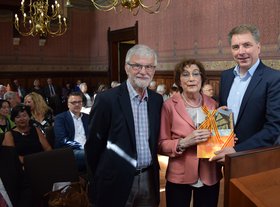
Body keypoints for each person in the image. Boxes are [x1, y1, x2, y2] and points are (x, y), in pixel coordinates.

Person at [85, 44, 163, 207]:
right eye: (137, 66)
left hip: (149, 179)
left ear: (154, 70)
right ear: (127, 67)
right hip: (115, 182)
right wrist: (100, 177)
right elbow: (93, 146)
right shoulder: (107, 100)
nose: (143, 71)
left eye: (149, 66)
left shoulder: (156, 100)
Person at [211, 24, 280, 163]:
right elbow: (224, 115)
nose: (241, 52)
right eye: (235, 47)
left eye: (247, 45)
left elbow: (274, 128)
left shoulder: (273, 78)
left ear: (258, 47)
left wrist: (237, 150)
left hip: (257, 159)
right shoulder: (226, 76)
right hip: (226, 156)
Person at [158, 59, 221, 207]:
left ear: (202, 79)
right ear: (179, 81)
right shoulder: (169, 106)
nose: (191, 78)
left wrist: (227, 140)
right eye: (185, 74)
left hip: (209, 173)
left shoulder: (213, 104)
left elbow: (219, 137)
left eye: (195, 74)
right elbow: (161, 144)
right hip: (179, 175)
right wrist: (184, 142)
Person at [54, 92, 89, 171]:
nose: (77, 104)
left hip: (87, 149)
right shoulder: (60, 118)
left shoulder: (88, 117)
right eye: (73, 102)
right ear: (68, 104)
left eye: (79, 102)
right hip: (69, 150)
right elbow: (62, 140)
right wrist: (82, 147)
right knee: (92, 155)